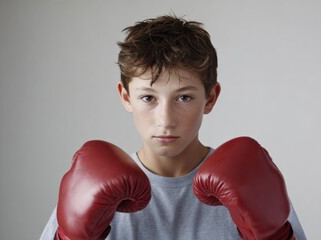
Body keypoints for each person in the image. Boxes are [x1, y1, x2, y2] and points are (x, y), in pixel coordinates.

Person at [40, 15, 307, 240]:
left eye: (184, 98)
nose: (165, 120)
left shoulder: (252, 180)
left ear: (210, 98)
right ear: (125, 97)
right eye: (148, 98)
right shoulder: (90, 187)